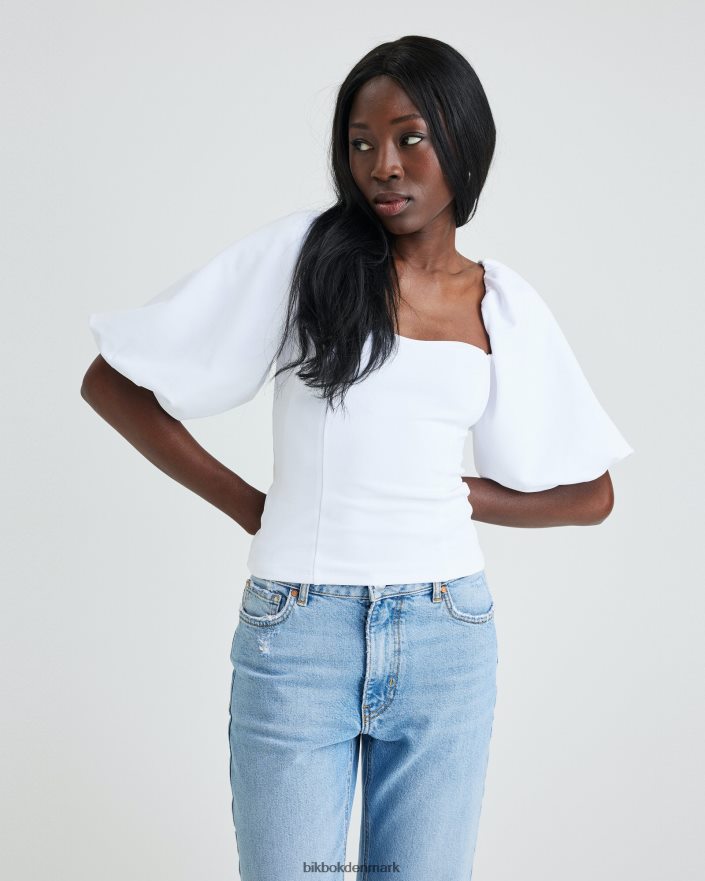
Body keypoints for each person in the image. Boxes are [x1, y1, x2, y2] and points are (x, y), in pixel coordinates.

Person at [81, 35, 633, 881]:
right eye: (360, 143)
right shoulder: (307, 257)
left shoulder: (502, 304)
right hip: (298, 633)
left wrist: (461, 494)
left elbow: (590, 492)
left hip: (447, 635)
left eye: (410, 138)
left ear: (462, 141)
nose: (384, 165)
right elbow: (112, 382)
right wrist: (249, 505)